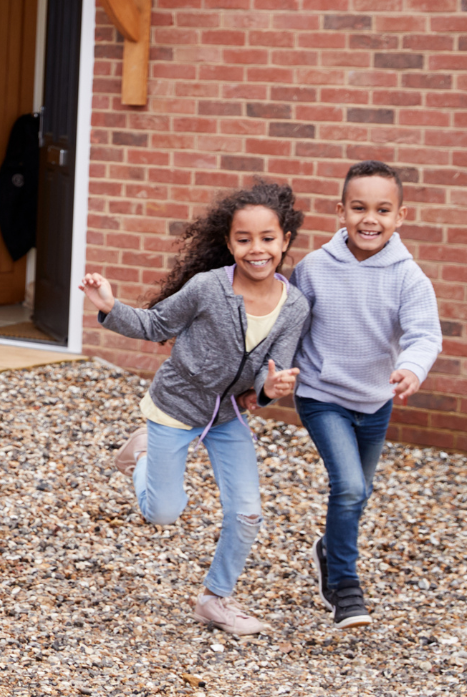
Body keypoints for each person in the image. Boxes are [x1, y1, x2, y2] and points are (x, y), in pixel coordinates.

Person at [82, 181, 309, 637]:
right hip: (175, 407)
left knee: (247, 514)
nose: (256, 249)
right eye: (243, 239)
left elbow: (270, 376)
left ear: (285, 241)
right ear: (229, 243)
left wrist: (271, 390)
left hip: (227, 417)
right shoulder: (207, 288)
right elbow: (156, 324)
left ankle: (215, 599)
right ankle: (143, 455)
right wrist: (109, 306)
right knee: (163, 512)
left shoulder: (294, 306)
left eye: (268, 238)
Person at [291, 160, 441, 629]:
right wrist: (265, 382)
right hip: (321, 394)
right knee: (350, 486)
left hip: (375, 400)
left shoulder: (407, 277)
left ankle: (328, 550)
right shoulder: (314, 268)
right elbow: (287, 325)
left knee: (358, 492)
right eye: (358, 208)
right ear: (341, 211)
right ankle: (346, 588)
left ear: (401, 216)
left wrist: (412, 368)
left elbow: (424, 335)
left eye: (382, 209)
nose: (369, 219)